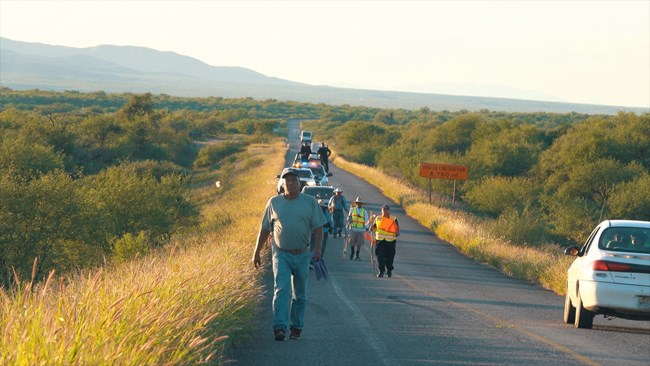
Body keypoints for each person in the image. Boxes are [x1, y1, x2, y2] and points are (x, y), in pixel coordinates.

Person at [252, 169, 327, 341]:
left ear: (300, 183)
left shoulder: (310, 202)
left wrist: (318, 249)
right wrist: (256, 252)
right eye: (287, 181)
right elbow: (264, 229)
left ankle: (296, 327)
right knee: (281, 290)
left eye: (294, 180)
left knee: (299, 294)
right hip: (281, 253)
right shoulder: (274, 202)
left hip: (302, 254)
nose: (291, 183)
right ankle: (279, 327)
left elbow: (318, 228)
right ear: (282, 184)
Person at [371, 204, 399, 278]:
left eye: (386, 210)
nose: (385, 212)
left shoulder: (393, 219)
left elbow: (397, 231)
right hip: (380, 241)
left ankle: (389, 270)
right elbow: (374, 228)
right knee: (380, 256)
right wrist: (372, 228)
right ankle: (381, 271)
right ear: (381, 211)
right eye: (384, 210)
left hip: (390, 241)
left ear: (389, 211)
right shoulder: (378, 218)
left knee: (390, 257)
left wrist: (396, 232)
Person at [347, 197, 369, 261]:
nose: (359, 204)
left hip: (361, 229)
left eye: (360, 203)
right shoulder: (352, 210)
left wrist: (367, 227)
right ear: (356, 203)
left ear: (361, 204)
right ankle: (352, 253)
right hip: (353, 228)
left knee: (359, 243)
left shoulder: (364, 211)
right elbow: (349, 218)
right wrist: (349, 221)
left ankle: (357, 255)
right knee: (352, 242)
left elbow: (367, 220)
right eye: (358, 203)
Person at [311, 195, 333, 261]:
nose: (321, 208)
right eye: (319, 207)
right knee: (312, 247)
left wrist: (320, 224)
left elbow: (329, 223)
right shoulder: (314, 213)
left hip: (324, 232)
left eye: (321, 207)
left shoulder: (326, 213)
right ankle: (311, 261)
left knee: (321, 248)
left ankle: (319, 260)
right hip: (314, 233)